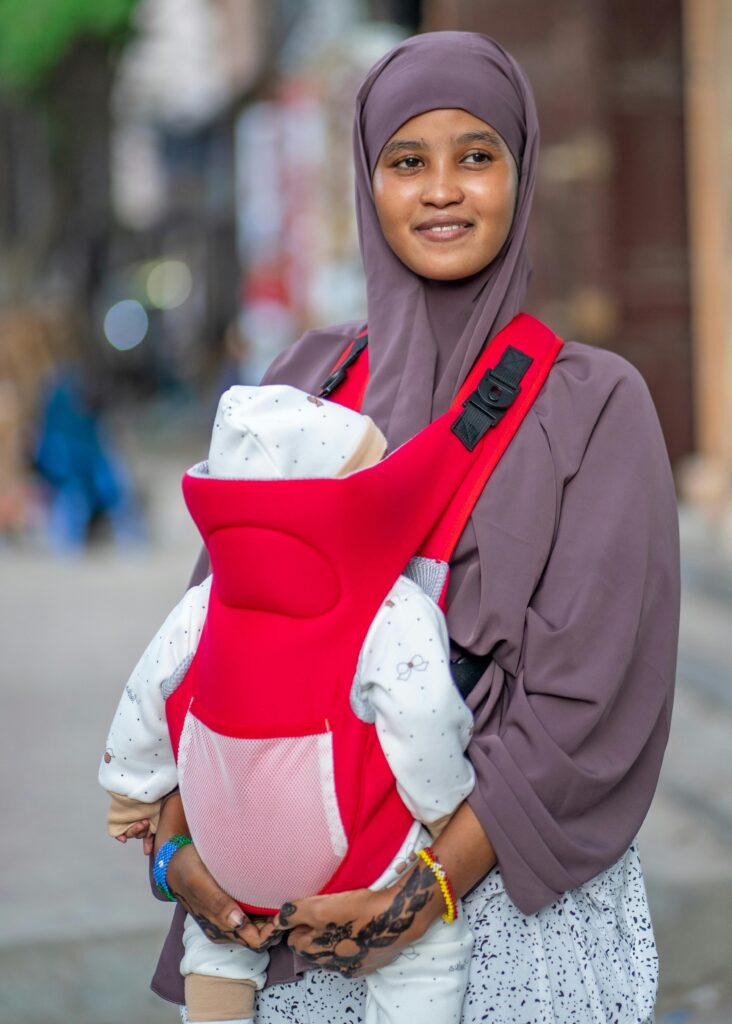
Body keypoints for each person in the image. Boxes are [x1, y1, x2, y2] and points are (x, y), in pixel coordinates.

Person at [147, 31, 679, 1024]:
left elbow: (590, 698)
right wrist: (183, 852)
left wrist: (418, 896)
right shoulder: (305, 381)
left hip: (505, 916)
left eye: (476, 155)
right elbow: (215, 632)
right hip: (297, 934)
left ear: (519, 173)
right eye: (407, 161)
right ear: (368, 180)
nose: (442, 189)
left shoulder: (595, 403)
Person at [100, 383, 477, 1024]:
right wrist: (445, 809)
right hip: (347, 858)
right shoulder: (388, 606)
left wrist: (133, 789)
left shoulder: (206, 601)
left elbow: (148, 688)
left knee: (214, 949)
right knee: (430, 956)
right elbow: (424, 721)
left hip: (225, 857)